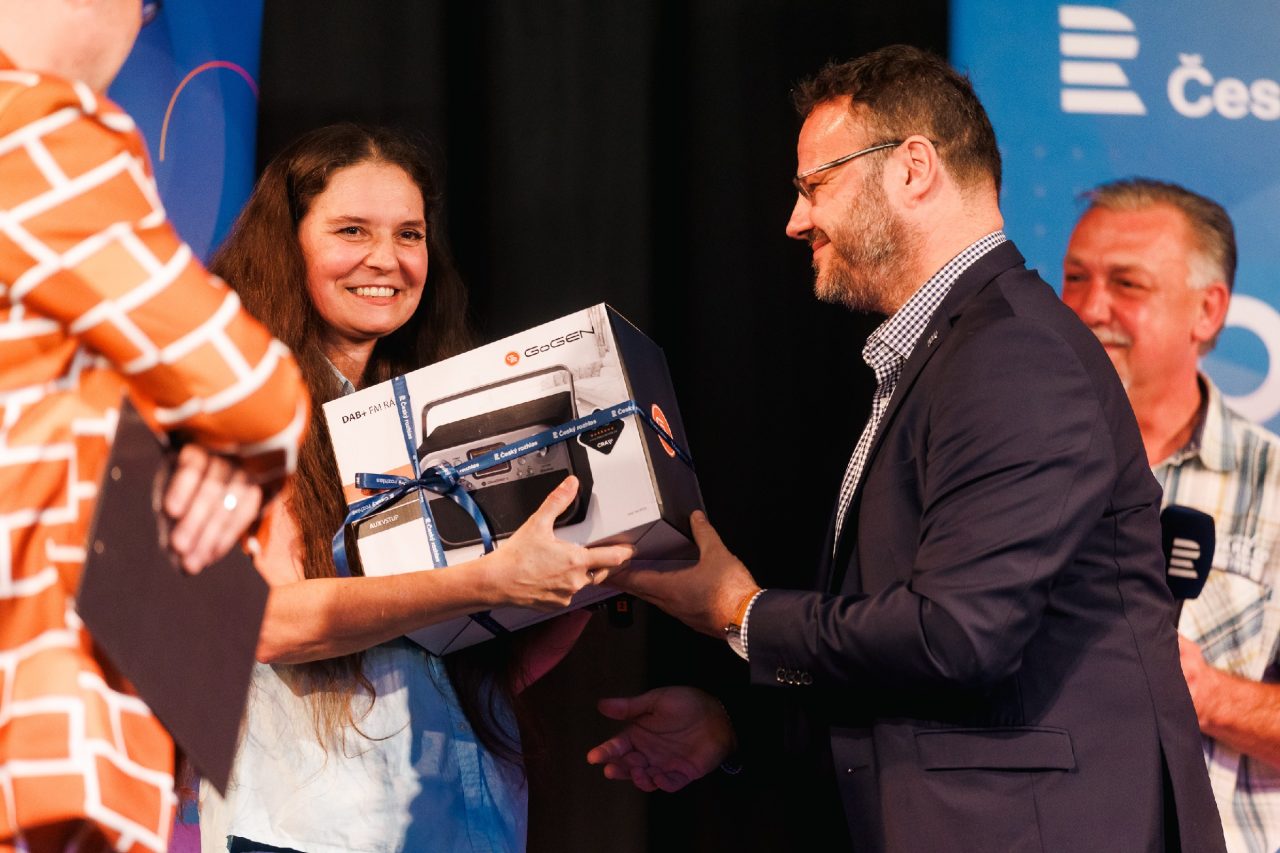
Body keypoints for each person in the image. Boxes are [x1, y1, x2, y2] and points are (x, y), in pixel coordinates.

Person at [588, 45, 1226, 851]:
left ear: (913, 168)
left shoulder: (1014, 356)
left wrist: (741, 611)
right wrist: (734, 727)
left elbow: (957, 637)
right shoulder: (951, 353)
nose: (795, 220)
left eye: (814, 185)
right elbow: (918, 662)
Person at [195, 123, 633, 853]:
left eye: (409, 234)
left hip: (466, 821)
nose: (386, 259)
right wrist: (485, 579)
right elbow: (268, 622)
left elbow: (475, 668)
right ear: (286, 244)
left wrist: (597, 567)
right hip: (309, 829)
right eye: (351, 230)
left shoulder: (437, 409)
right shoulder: (237, 403)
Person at [0, 1, 310, 851]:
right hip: (34, 718)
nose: (141, 19)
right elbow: (246, 385)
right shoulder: (35, 126)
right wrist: (238, 435)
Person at [1062, 178, 1280, 851]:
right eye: (1075, 279)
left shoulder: (1273, 485)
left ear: (1207, 311)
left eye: (1127, 284)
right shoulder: (1007, 463)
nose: (1090, 307)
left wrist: (1203, 692)